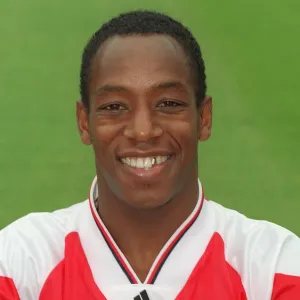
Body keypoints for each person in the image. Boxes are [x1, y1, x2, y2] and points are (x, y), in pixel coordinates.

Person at [0, 10, 299, 300]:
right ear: (84, 123)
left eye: (168, 103)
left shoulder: (275, 268)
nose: (143, 132)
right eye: (114, 107)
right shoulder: (20, 264)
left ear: (204, 118)